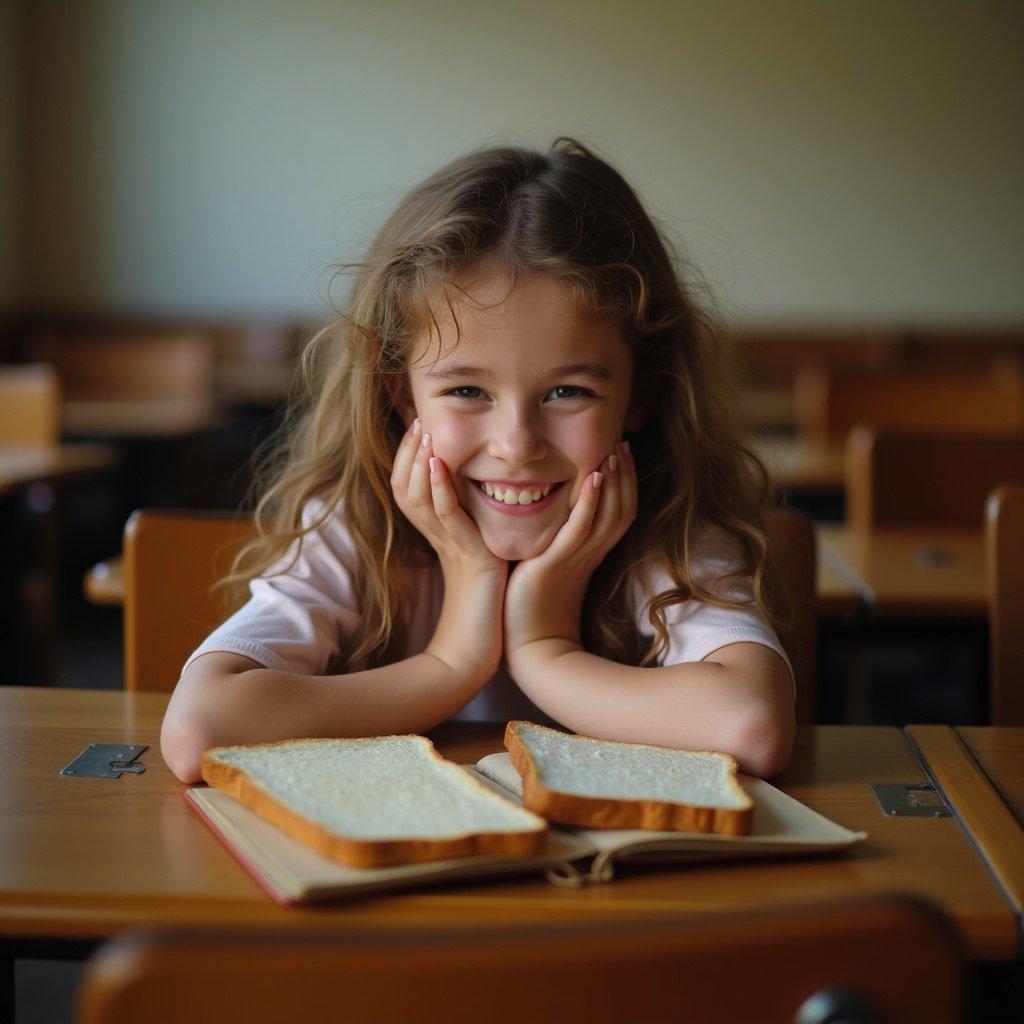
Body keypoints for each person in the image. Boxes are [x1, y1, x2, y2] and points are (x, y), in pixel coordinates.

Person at [160, 137, 796, 785]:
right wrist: (450, 664)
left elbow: (749, 723)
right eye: (467, 391)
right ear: (401, 396)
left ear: (641, 395)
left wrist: (544, 649)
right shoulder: (355, 527)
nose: (517, 445)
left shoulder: (671, 530)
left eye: (567, 392)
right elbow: (201, 727)